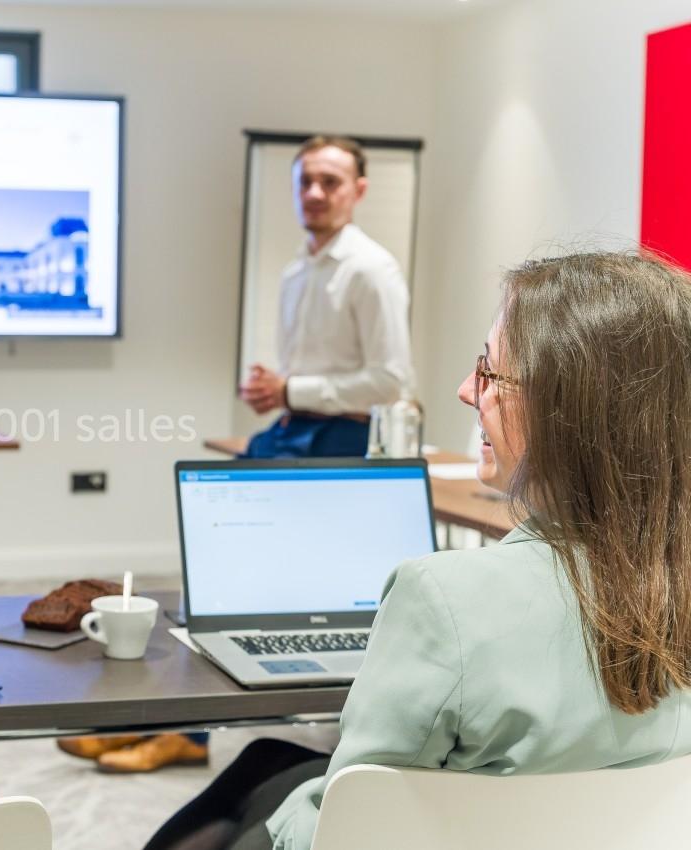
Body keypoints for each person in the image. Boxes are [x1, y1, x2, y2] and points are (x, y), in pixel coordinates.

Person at [148, 251, 691, 849]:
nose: (464, 390)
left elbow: (352, 827)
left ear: (569, 412)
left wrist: (289, 819)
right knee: (268, 762)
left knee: (261, 805)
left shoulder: (444, 601)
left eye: (490, 372)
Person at [240, 135, 412, 458]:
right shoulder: (294, 273)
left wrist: (289, 391)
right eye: (305, 182)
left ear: (359, 191)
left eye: (330, 182)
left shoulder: (372, 269)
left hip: (346, 436)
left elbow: (388, 382)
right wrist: (270, 389)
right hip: (295, 426)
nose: (314, 193)